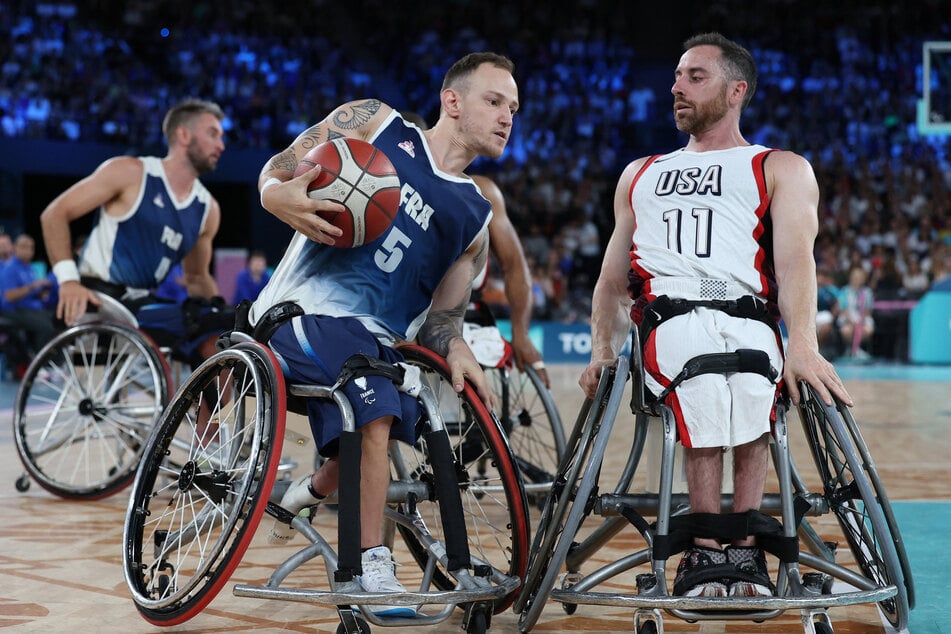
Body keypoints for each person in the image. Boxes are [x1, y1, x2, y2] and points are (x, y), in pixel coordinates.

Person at [580, 32, 852, 599]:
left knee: (754, 376)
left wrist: (802, 342)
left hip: (748, 313)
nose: (676, 87)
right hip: (668, 315)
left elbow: (796, 263)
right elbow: (610, 283)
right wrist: (601, 352)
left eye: (694, 77)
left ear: (736, 91)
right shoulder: (641, 172)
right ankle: (705, 550)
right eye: (677, 77)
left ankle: (745, 551)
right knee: (702, 376)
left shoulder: (779, 166)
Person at [252, 52, 518, 617]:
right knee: (372, 398)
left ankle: (317, 497)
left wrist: (459, 345)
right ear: (453, 101)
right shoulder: (375, 123)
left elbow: (444, 318)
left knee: (420, 419)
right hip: (302, 315)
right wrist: (274, 193)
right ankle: (369, 564)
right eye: (494, 101)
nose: (507, 116)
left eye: (513, 108)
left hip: (378, 345)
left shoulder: (475, 216)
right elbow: (283, 164)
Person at [39, 98, 230, 365]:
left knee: (219, 325)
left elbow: (197, 277)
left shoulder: (208, 208)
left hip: (141, 304)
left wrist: (219, 311)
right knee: (201, 324)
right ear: (183, 134)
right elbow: (54, 214)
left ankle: (211, 406)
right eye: (213, 134)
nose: (221, 145)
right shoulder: (129, 172)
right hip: (99, 296)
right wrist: (69, 281)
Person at [401, 112, 549, 386]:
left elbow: (515, 265)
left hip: (462, 314)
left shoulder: (481, 192)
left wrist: (521, 333)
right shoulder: (383, 184)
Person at [0, 233, 57, 373]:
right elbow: (9, 296)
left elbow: (31, 292)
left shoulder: (30, 269)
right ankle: (39, 366)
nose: (28, 250)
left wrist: (41, 291)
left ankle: (54, 363)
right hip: (13, 310)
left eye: (31, 247)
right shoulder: (10, 268)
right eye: (24, 247)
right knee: (46, 327)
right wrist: (33, 287)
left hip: (32, 308)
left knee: (56, 319)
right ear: (15, 248)